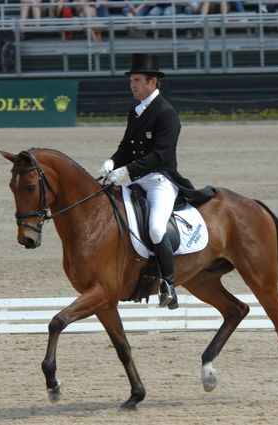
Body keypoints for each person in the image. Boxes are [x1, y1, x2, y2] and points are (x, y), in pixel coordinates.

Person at [99, 53, 213, 309]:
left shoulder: (166, 113)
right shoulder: (136, 111)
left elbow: (161, 155)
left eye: (137, 80)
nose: (132, 85)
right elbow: (126, 147)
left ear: (153, 82)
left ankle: (168, 285)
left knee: (155, 229)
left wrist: (126, 171)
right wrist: (112, 163)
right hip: (135, 179)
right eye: (131, 80)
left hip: (160, 180)